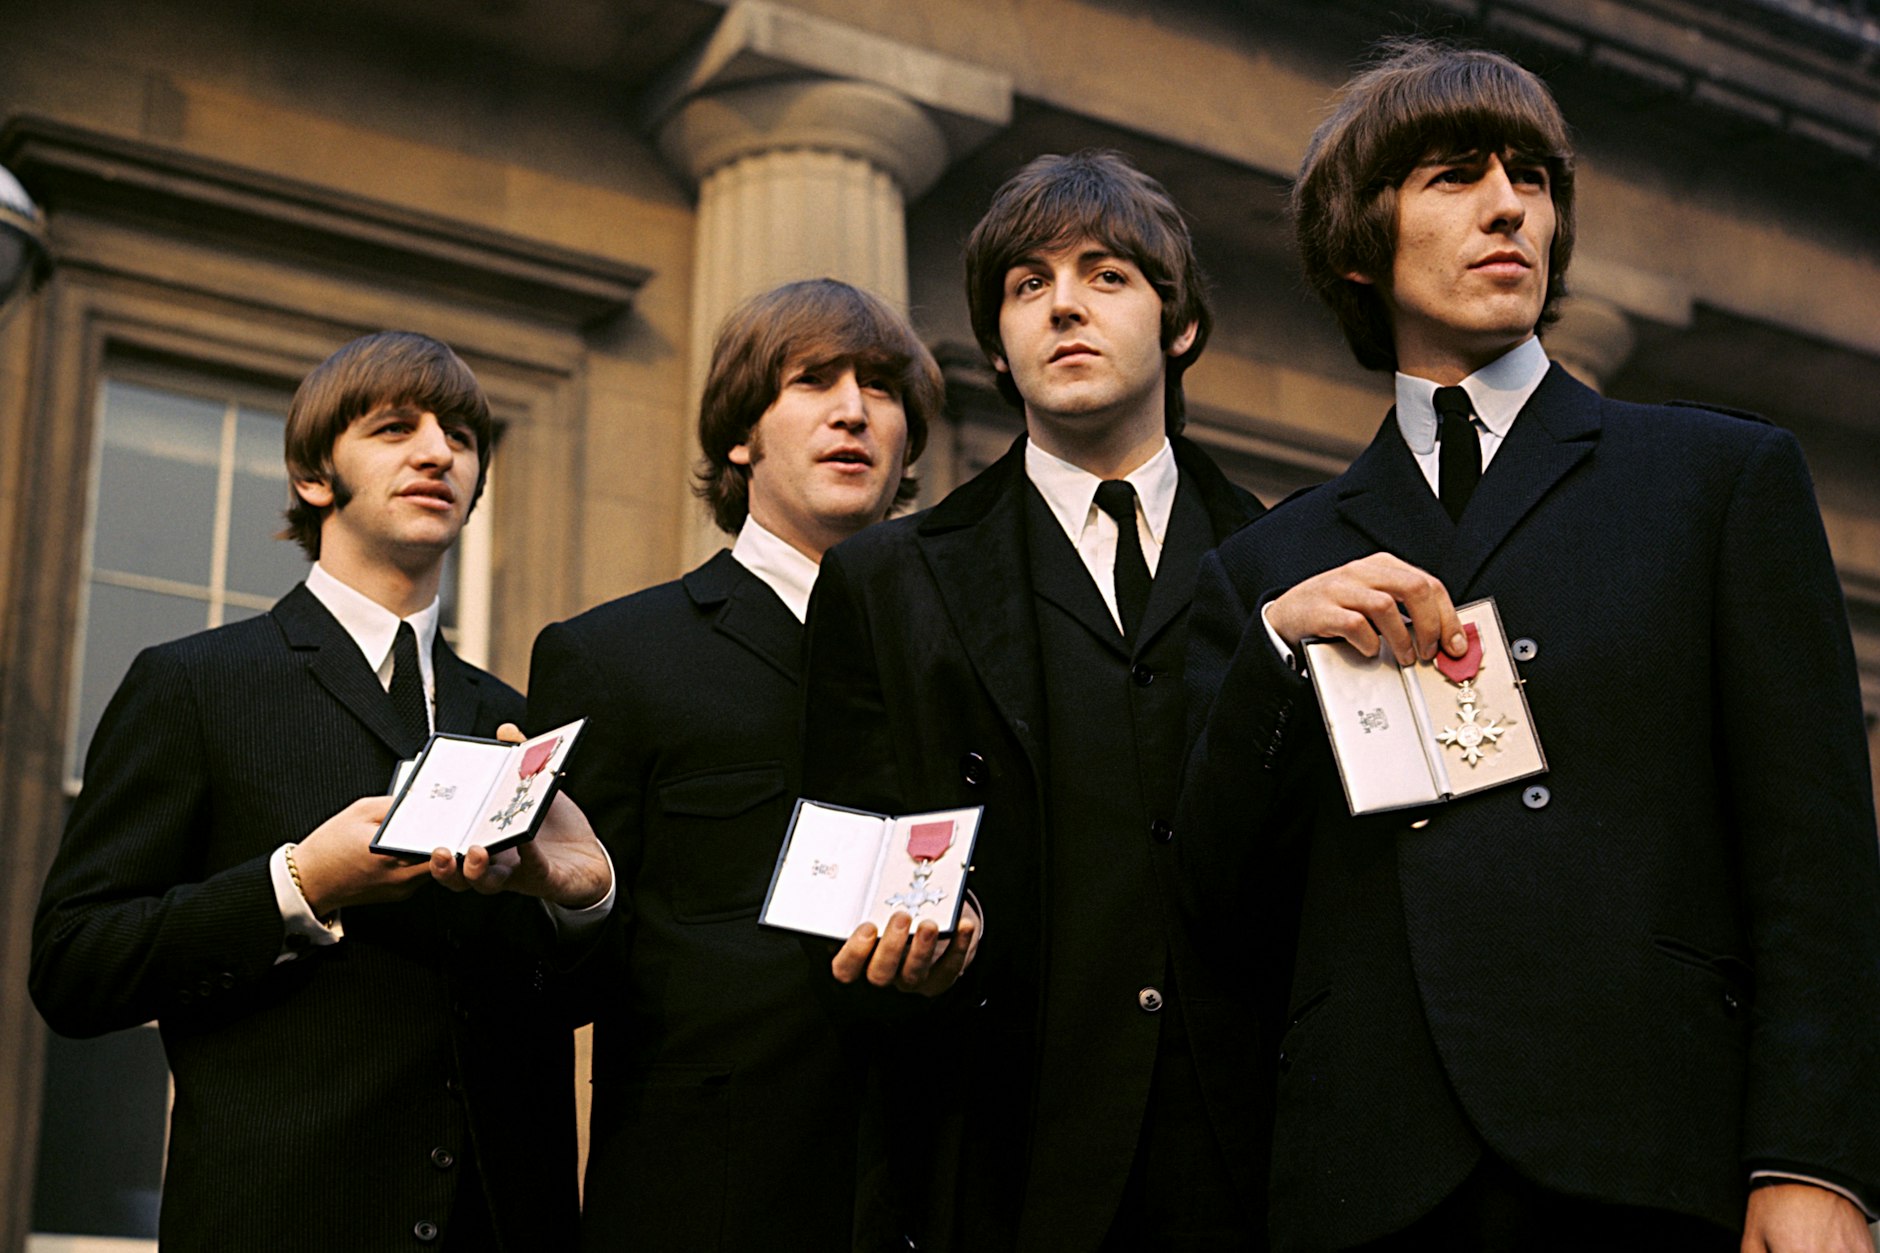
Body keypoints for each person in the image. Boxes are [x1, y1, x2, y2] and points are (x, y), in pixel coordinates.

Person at [1181, 40, 1880, 1253]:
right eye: (1453, 175)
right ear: (1359, 241)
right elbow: (1213, 907)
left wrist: (1812, 1159)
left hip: (1649, 1157)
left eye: (1533, 178)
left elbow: (1813, 863)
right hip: (1367, 1181)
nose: (1510, 203)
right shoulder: (1266, 567)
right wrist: (1276, 657)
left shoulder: (1717, 479)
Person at [31, 331, 613, 1251]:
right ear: (314, 476)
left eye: (463, 437)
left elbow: (562, 1006)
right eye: (395, 428)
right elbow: (74, 962)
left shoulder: (515, 721)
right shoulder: (194, 684)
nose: (438, 451)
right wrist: (298, 884)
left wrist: (583, 901)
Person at [800, 150, 1268, 1251]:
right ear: (997, 347)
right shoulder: (887, 578)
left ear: (1179, 324)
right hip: (1000, 1167)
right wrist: (902, 942)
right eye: (1025, 284)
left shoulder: (1282, 562)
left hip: (1248, 1167)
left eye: (1104, 275)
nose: (1061, 302)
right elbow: (840, 879)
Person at [526, 278, 945, 1251]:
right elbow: (544, 993)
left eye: (880, 386)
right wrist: (577, 900)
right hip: (704, 1203)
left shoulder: (964, 662)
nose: (852, 408)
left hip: (931, 1195)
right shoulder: (612, 654)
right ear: (738, 435)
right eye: (812, 380)